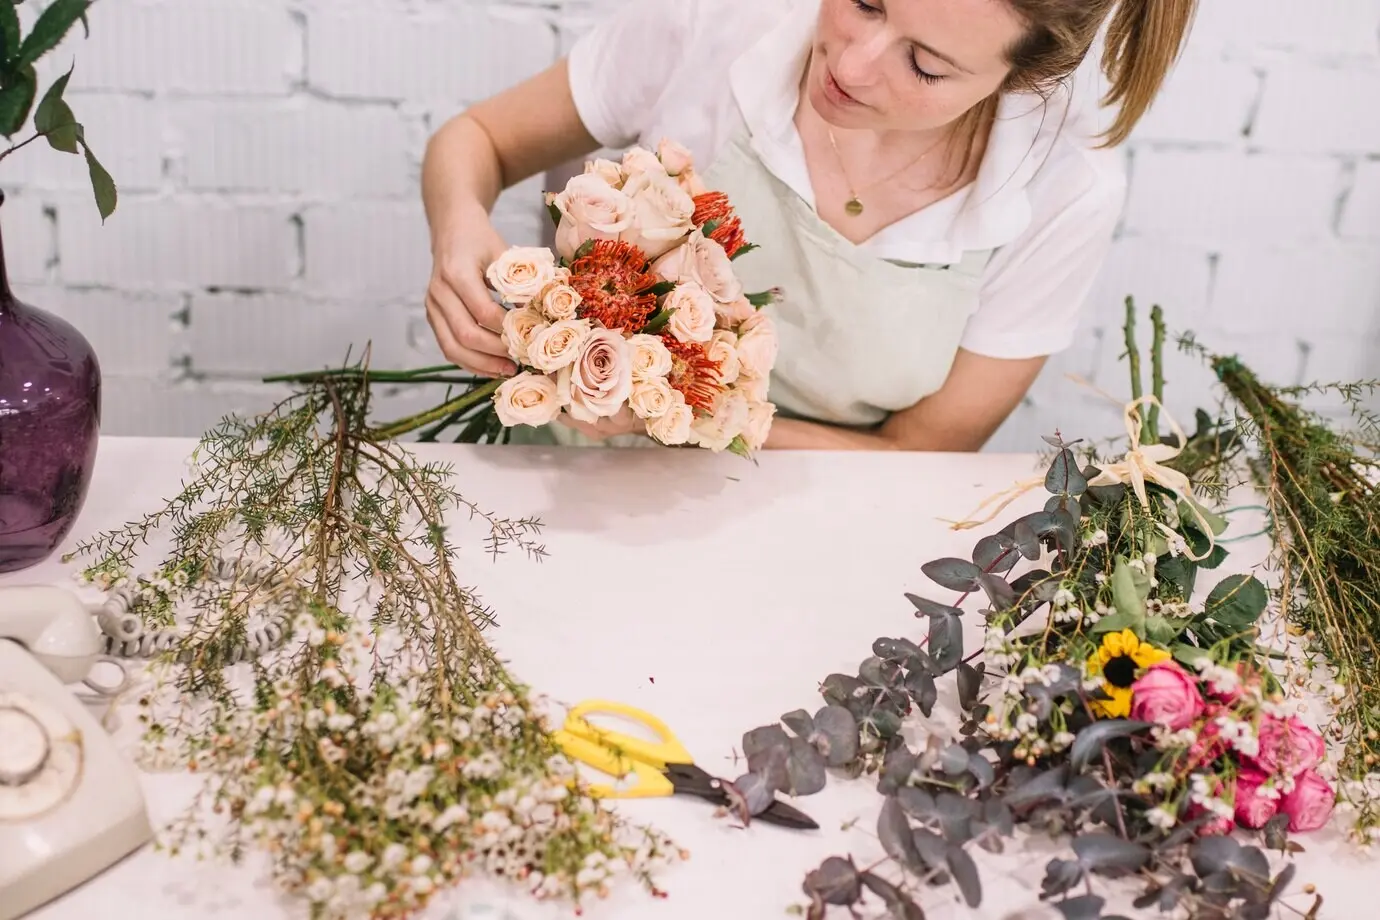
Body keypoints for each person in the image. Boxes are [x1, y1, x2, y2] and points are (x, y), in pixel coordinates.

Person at [420, 0, 1197, 451]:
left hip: (821, 534)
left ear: (1021, 77)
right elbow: (476, 141)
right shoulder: (718, 22)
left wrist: (685, 415)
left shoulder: (1064, 189)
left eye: (924, 66)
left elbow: (920, 456)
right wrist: (460, 228)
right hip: (572, 488)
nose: (853, 65)